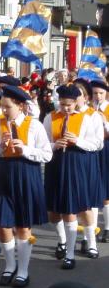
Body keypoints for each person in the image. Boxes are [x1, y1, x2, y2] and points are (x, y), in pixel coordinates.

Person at [0, 86, 52, 285]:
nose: (4, 111)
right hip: (4, 174)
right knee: (3, 224)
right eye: (3, 106)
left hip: (26, 173)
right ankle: (9, 265)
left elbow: (47, 154)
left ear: (21, 106)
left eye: (8, 107)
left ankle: (23, 270)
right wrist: (1, 147)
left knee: (23, 224)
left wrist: (24, 149)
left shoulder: (34, 125)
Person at [44, 84, 98, 270]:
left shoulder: (87, 119)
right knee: (54, 210)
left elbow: (96, 143)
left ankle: (72, 253)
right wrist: (54, 145)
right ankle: (62, 240)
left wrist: (77, 141)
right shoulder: (50, 117)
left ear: (76, 103)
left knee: (75, 207)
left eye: (69, 104)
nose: (65, 108)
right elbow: (43, 143)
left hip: (76, 162)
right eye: (62, 104)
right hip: (56, 162)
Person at [71, 80, 104, 258]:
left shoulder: (94, 116)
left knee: (87, 203)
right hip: (69, 161)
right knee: (71, 204)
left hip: (87, 159)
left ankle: (90, 241)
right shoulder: (63, 114)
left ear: (85, 97)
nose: (74, 98)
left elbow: (98, 143)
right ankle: (67, 243)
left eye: (77, 94)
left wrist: (78, 141)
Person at [92, 80, 109, 243]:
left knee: (106, 189)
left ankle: (108, 228)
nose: (98, 96)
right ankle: (93, 229)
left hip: (107, 149)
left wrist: (105, 122)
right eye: (95, 93)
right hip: (93, 149)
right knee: (94, 188)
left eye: (101, 93)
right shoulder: (90, 110)